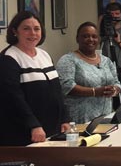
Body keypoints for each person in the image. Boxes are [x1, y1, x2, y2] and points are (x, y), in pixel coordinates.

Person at [0, 11, 69, 146]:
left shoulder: (44, 55)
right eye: (26, 29)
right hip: (26, 132)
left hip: (51, 129)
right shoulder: (8, 58)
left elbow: (57, 91)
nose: (33, 33)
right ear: (15, 31)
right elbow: (13, 98)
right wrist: (33, 125)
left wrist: (65, 119)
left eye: (36, 29)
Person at [56, 22, 121, 123]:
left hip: (105, 118)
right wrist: (95, 91)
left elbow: (117, 83)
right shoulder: (68, 60)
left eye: (94, 36)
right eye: (85, 36)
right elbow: (67, 87)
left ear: (99, 39)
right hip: (80, 119)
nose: (90, 39)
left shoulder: (106, 61)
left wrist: (114, 90)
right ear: (77, 39)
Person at [99, 2, 121, 107]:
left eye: (117, 13)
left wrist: (119, 41)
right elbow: (95, 46)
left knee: (120, 102)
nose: (114, 16)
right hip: (103, 72)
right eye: (111, 14)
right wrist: (100, 22)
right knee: (105, 102)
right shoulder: (101, 33)